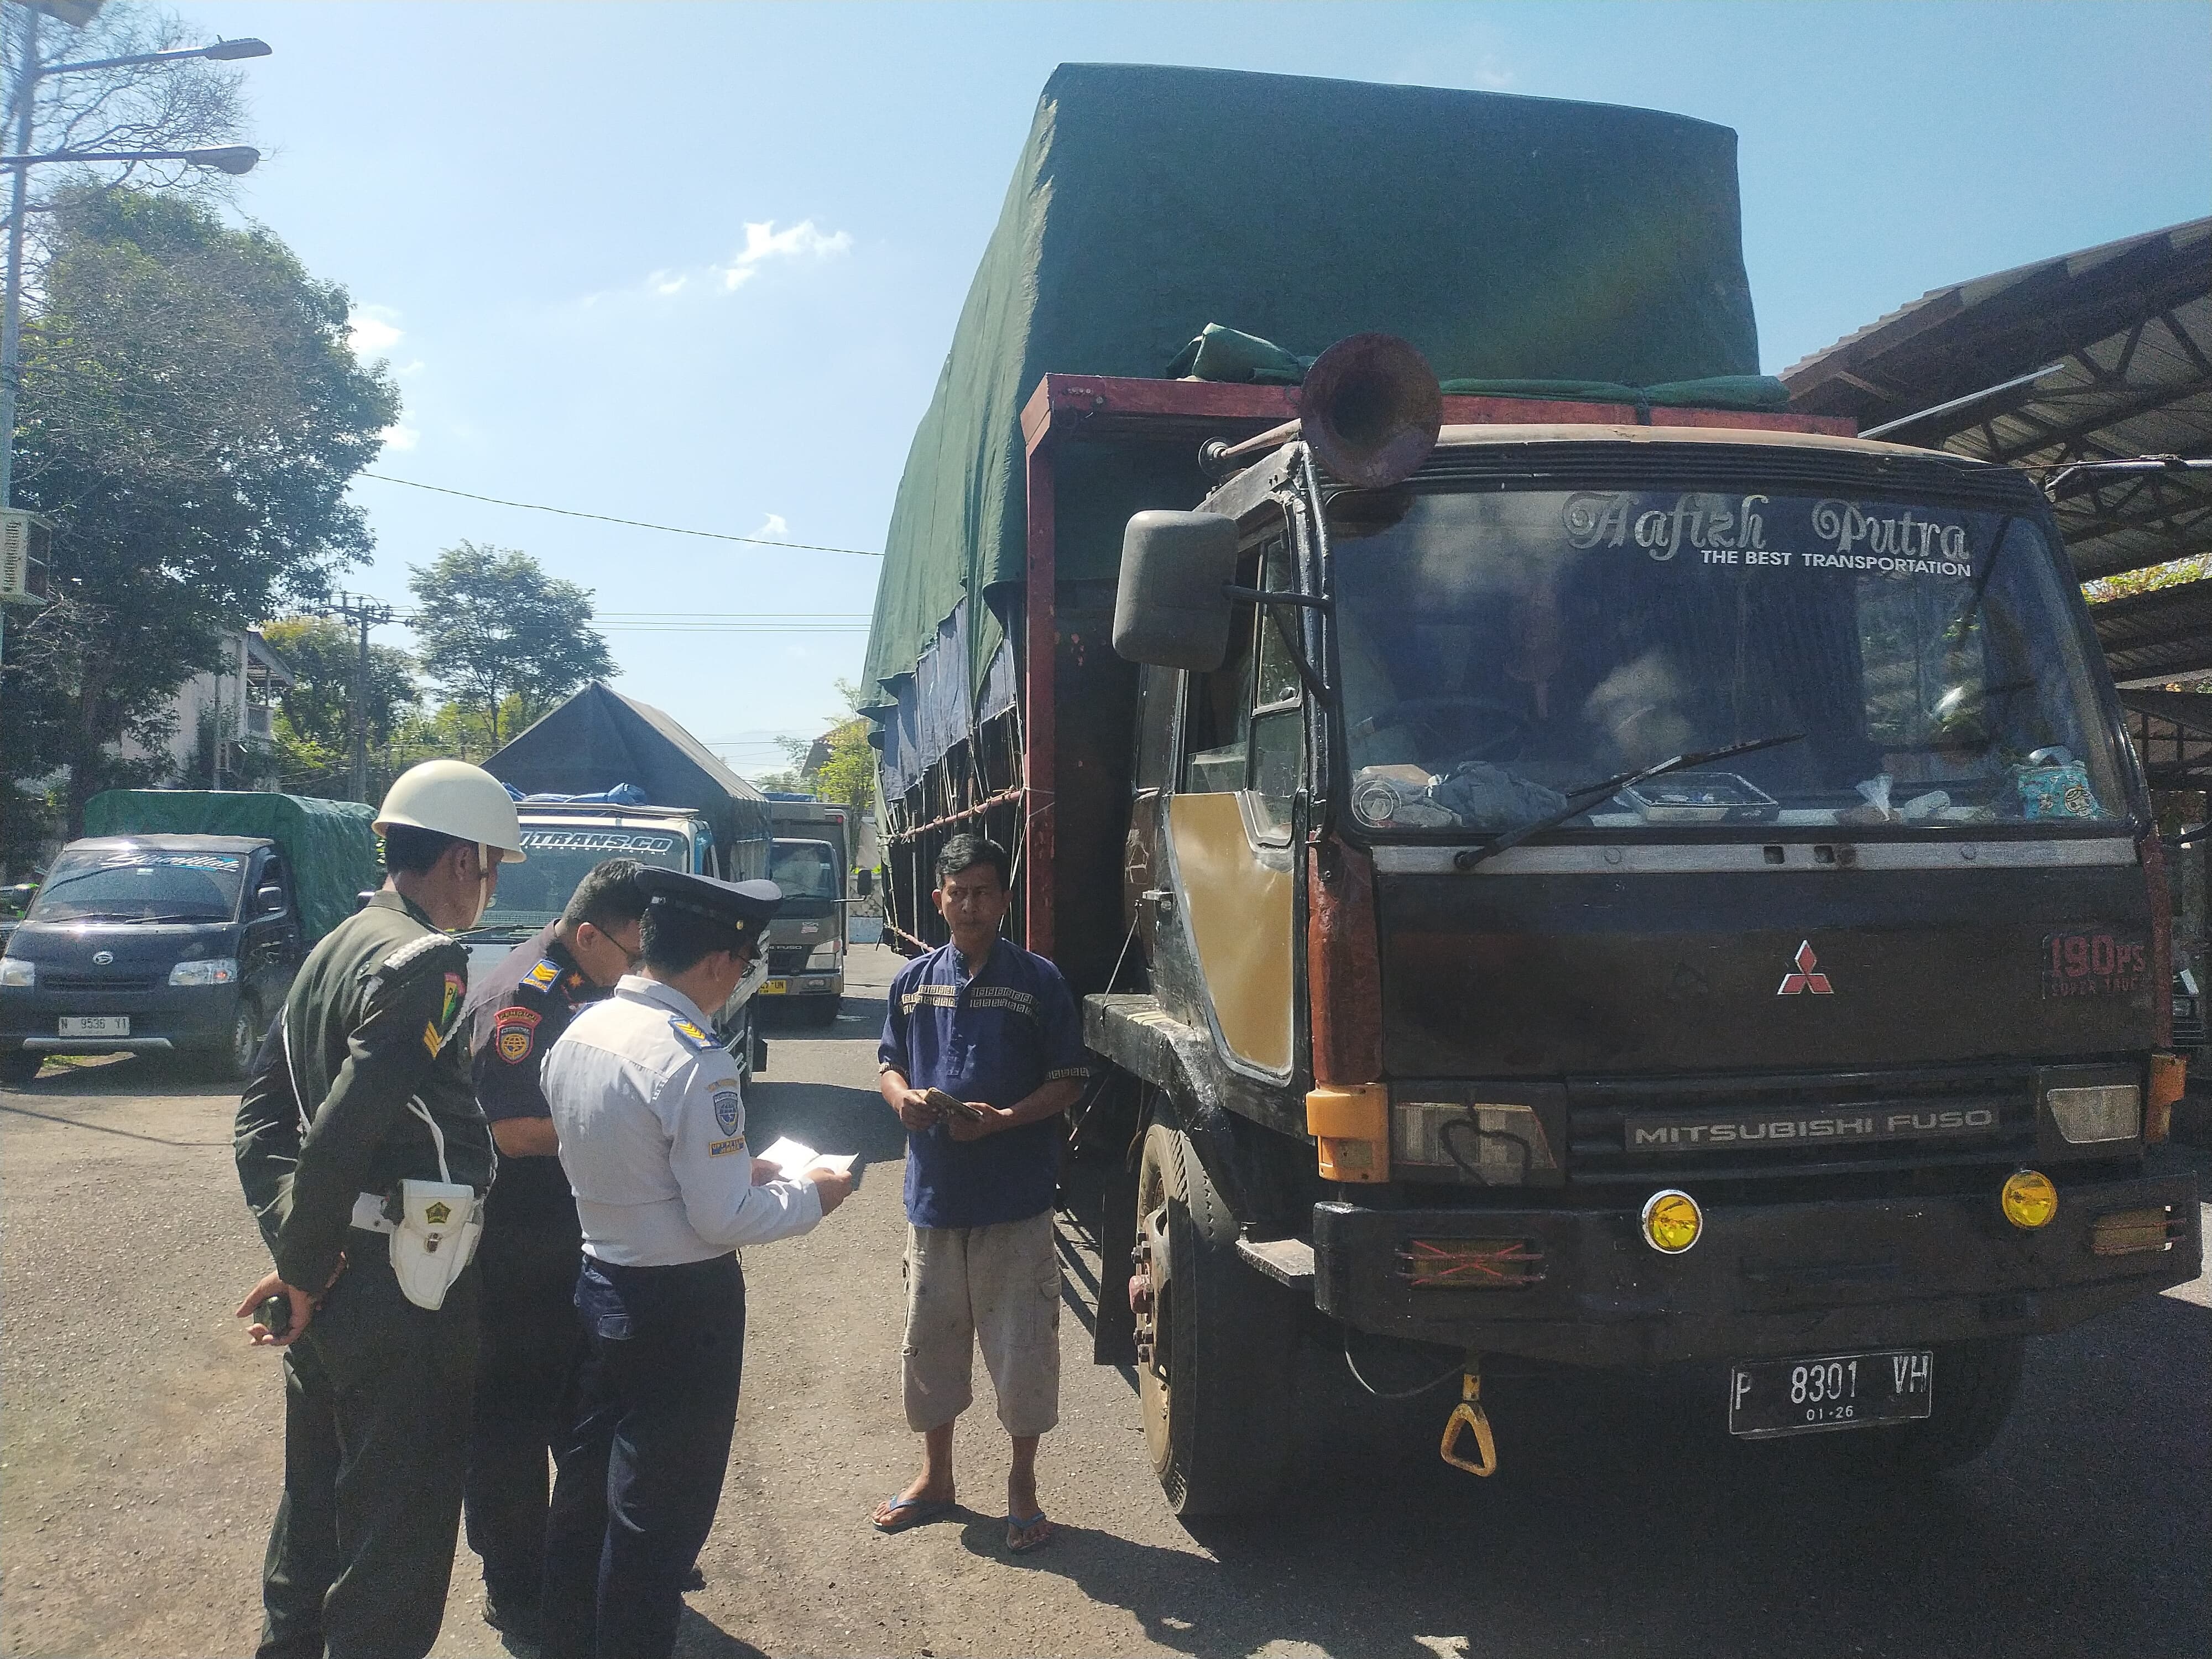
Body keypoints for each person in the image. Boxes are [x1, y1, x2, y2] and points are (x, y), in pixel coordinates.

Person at [231, 759, 526, 1659]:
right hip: (403, 1293)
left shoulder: (332, 948)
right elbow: (344, 1128)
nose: (491, 886)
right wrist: (305, 1267)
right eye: (493, 866)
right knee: (398, 1523)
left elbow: (260, 1125)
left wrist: (299, 1256)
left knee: (316, 1493)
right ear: (461, 861)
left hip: (340, 1278)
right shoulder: (428, 962)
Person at [538, 866, 853, 1659]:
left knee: (586, 1500)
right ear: (717, 962)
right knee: (658, 1522)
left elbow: (628, 1162)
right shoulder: (694, 1058)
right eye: (744, 966)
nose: (739, 981)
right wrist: (815, 1197)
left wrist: (729, 1169)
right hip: (679, 1312)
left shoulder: (581, 1029)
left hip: (599, 1286)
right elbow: (723, 1219)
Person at [870, 834, 1087, 1556]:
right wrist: (902, 1101)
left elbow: (1066, 1082)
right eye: (957, 891)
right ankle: (936, 1477)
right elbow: (889, 1065)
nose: (969, 904)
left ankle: (1022, 1487)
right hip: (932, 1204)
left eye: (983, 891)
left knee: (1023, 1352)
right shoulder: (914, 983)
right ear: (938, 898)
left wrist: (1003, 1121)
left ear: (1003, 900)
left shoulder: (1038, 982)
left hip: (1014, 1205)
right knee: (929, 1349)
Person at [461, 857, 650, 1645]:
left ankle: (573, 1560)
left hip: (568, 1242)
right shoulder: (527, 998)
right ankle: (513, 1586)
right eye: (631, 951)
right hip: (514, 1251)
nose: (638, 966)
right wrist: (617, 1133)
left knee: (580, 1413)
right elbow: (508, 1130)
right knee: (510, 1430)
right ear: (586, 935)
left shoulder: (585, 983)